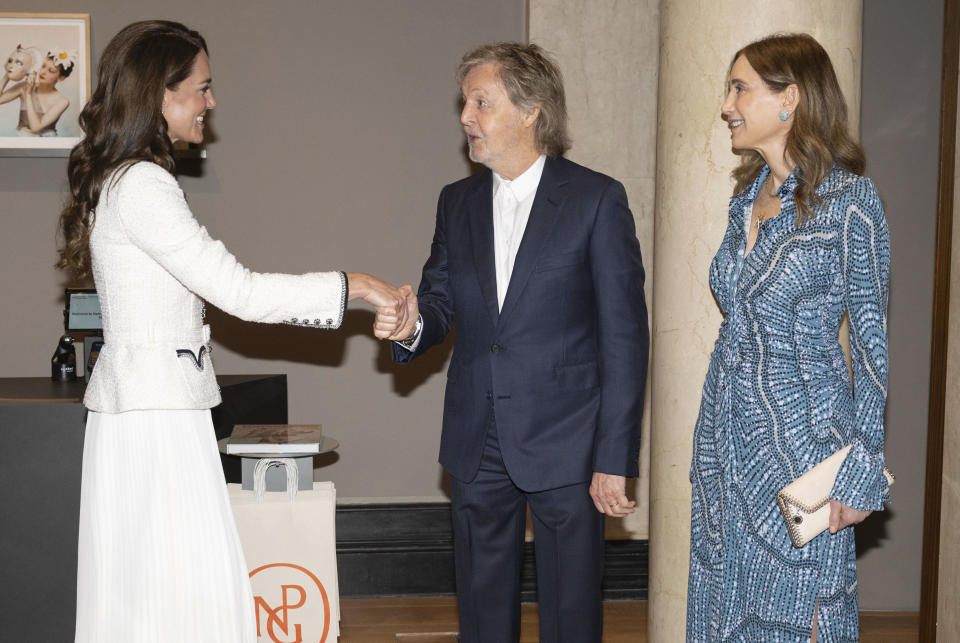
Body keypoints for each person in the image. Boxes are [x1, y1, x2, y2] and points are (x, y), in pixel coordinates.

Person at [56, 20, 409, 642]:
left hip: (146, 411)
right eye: (202, 87)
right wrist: (354, 285)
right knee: (178, 597)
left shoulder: (122, 181)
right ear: (160, 96)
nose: (211, 103)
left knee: (148, 596)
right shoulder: (142, 185)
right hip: (157, 419)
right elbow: (239, 291)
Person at [391, 43, 649, 642]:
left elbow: (625, 339)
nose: (465, 116)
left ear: (531, 109)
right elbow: (439, 306)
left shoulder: (595, 200)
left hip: (569, 444)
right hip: (475, 438)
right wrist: (409, 326)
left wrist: (614, 459)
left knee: (571, 615)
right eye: (464, 101)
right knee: (480, 614)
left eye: (481, 101)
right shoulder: (455, 204)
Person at [686, 33, 891, 642]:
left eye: (740, 88)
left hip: (801, 453)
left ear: (790, 99)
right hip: (724, 446)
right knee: (721, 610)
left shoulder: (850, 203)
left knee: (797, 617)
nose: (727, 105)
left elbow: (874, 348)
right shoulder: (745, 199)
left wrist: (861, 472)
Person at [0, 49, 73, 136]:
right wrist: (9, 73)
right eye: (43, 66)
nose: (43, 72)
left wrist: (28, 94)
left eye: (51, 71)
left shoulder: (62, 101)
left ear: (61, 78)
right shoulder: (24, 86)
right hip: (22, 141)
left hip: (47, 144)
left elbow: (35, 128)